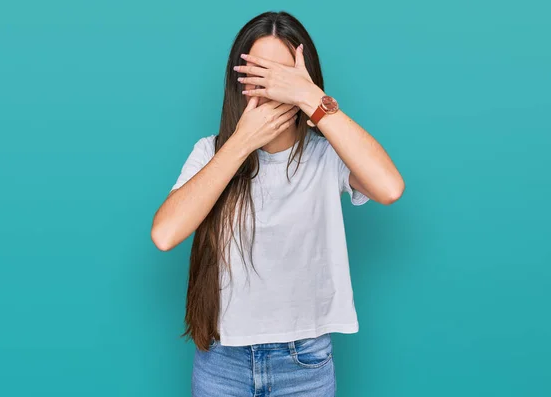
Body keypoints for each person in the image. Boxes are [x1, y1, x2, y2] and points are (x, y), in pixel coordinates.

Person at [151, 10, 404, 397]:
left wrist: (310, 97)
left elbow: (389, 187)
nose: (272, 89)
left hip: (305, 363)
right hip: (222, 362)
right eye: (260, 75)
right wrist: (241, 142)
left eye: (283, 77)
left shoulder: (328, 155)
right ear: (240, 82)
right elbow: (165, 234)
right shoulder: (211, 153)